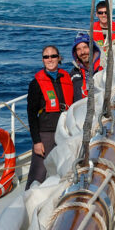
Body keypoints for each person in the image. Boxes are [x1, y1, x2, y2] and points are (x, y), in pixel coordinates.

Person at [26, 45, 73, 189]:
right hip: (46, 133)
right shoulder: (36, 84)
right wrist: (37, 141)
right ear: (42, 60)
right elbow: (31, 114)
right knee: (38, 174)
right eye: (46, 57)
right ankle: (28, 203)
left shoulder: (66, 78)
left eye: (53, 56)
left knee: (64, 169)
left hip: (65, 132)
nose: (50, 59)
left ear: (59, 58)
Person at [69, 33, 103, 102]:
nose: (82, 52)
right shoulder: (74, 73)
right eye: (78, 49)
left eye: (85, 47)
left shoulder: (104, 69)